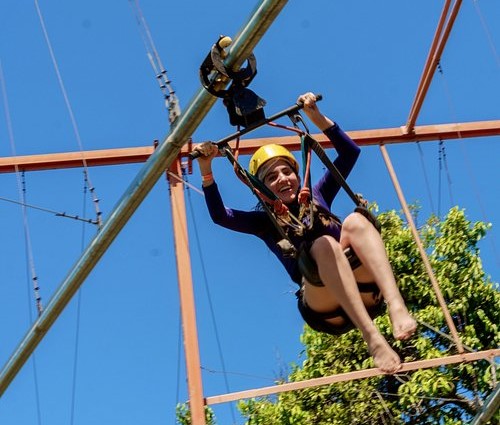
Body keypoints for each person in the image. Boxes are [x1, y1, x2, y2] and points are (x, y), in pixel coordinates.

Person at [193, 92, 416, 373]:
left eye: (286, 172)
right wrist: (206, 169)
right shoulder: (265, 222)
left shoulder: (318, 195)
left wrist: (315, 117)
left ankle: (396, 305)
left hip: (364, 289)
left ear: (298, 175)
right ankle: (372, 338)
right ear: (261, 189)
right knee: (323, 244)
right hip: (323, 304)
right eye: (271, 177)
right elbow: (220, 216)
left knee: (357, 221)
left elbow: (350, 153)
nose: (282, 179)